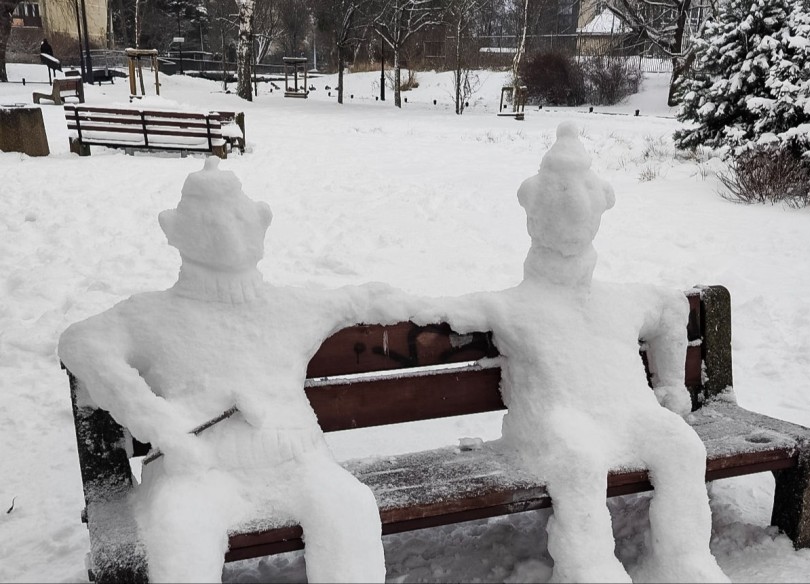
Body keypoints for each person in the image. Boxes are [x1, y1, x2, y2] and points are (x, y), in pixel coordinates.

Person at [59, 158, 414, 582]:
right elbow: (80, 343)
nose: (229, 234)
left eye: (238, 218)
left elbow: (370, 299)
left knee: (351, 508)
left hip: (299, 463)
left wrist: (461, 313)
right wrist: (161, 425)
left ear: (262, 221)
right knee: (181, 531)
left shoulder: (292, 307)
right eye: (211, 223)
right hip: (198, 476)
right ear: (174, 231)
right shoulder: (152, 317)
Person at [416, 122, 729, 583]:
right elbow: (442, 315)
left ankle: (685, 560)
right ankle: (590, 567)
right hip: (551, 422)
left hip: (629, 414)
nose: (569, 218)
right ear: (533, 217)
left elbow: (671, 309)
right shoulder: (513, 307)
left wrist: (670, 386)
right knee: (579, 461)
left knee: (682, 447)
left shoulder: (618, 300)